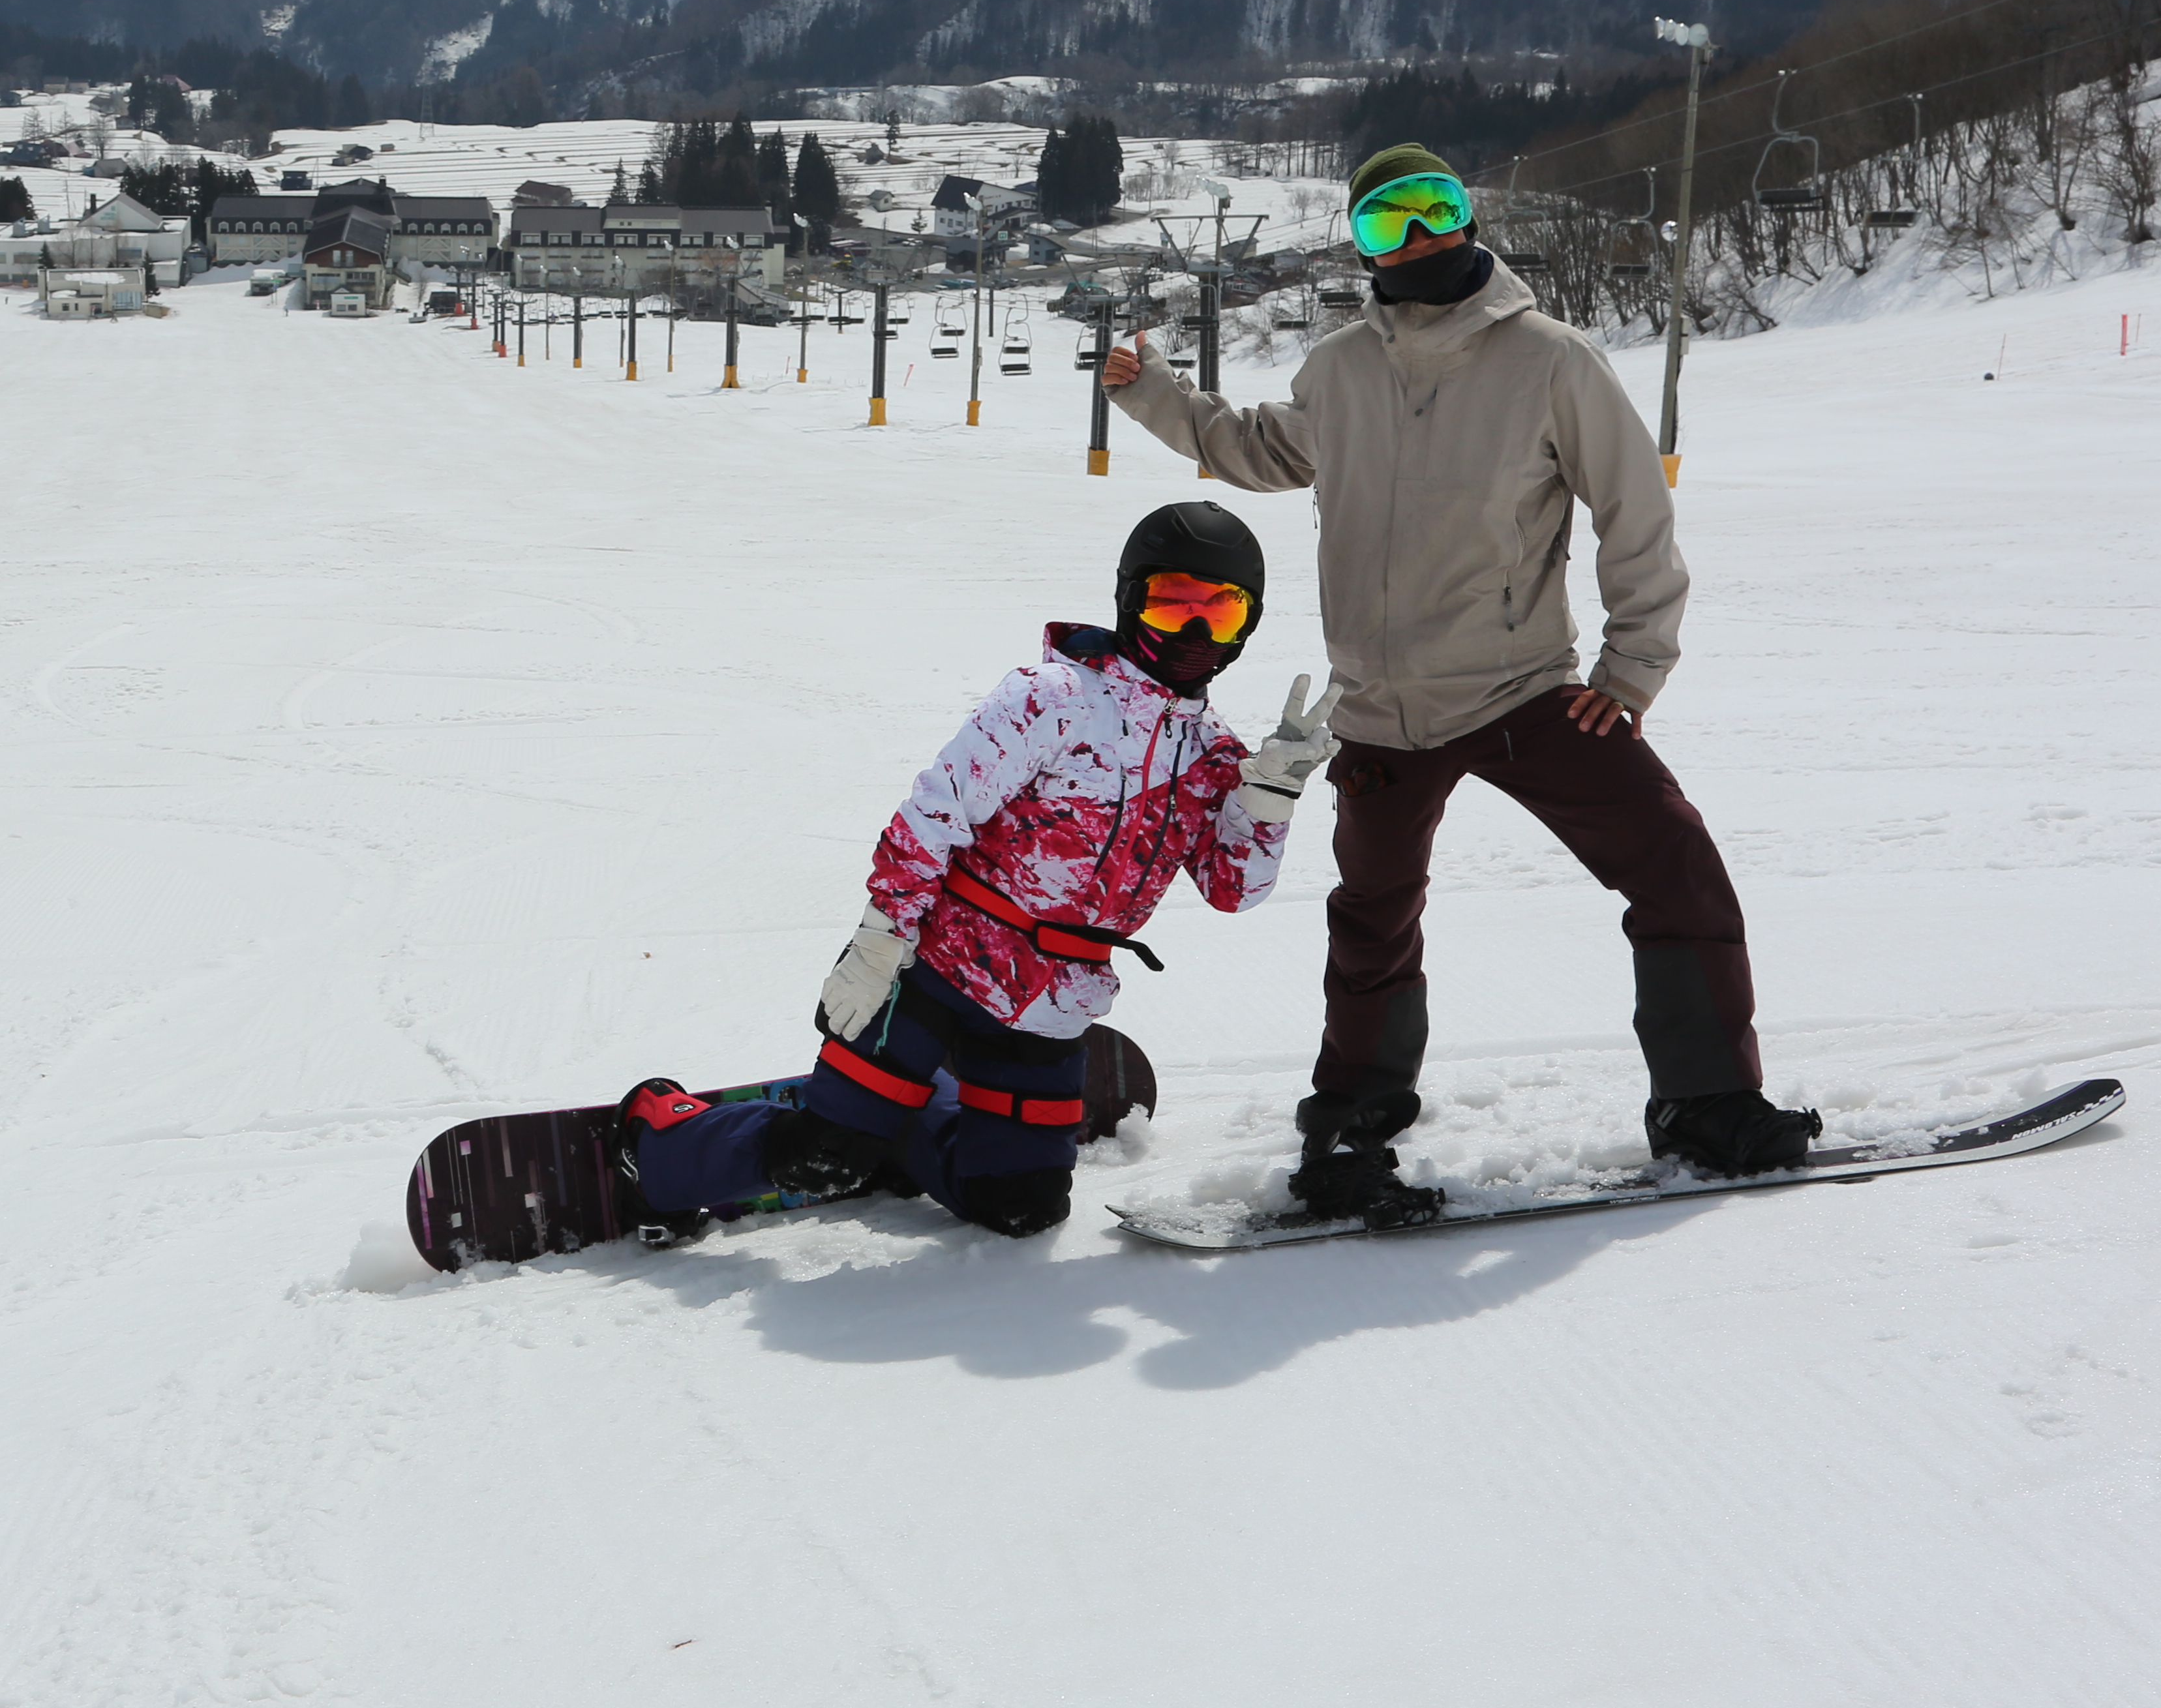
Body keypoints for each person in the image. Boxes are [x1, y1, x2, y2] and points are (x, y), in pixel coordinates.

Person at [1098, 143, 1820, 1227]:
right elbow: (1255, 449)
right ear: (1364, 244)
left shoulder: (1552, 360)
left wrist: (1631, 668)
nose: (1421, 235)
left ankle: (1709, 1106)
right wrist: (1145, 391)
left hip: (1527, 693)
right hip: (1381, 713)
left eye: (1437, 208)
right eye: (1392, 221)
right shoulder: (1340, 369)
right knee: (1372, 931)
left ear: (1469, 217)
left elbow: (1634, 512)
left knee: (1676, 869)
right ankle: (1349, 1140)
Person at [610, 503, 1336, 1243]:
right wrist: (877, 939)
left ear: (1245, 626)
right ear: (1129, 598)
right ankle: (661, 1143)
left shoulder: (1214, 756)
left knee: (1021, 1207)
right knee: (825, 1158)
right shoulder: (1051, 700)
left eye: (1217, 611)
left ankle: (906, 1122)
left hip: (1052, 1004)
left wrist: (1267, 799)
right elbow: (932, 816)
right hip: (936, 967)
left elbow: (1234, 889)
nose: (1190, 629)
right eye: (1170, 600)